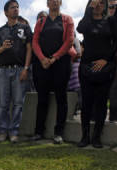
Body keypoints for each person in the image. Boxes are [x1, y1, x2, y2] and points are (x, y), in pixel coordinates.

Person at [77, 0, 117, 148]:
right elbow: (80, 28)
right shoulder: (86, 21)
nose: (99, 5)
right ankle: (85, 136)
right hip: (86, 67)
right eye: (95, 2)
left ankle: (96, 137)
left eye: (102, 2)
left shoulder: (110, 20)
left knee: (101, 103)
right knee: (86, 103)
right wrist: (89, 10)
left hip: (105, 67)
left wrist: (106, 59)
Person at [32, 0, 74, 144]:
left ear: (60, 2)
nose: (54, 2)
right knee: (42, 98)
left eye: (57, 0)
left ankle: (59, 133)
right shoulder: (41, 21)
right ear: (47, 4)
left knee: (61, 98)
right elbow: (35, 42)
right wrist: (43, 59)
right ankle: (38, 131)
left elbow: (69, 40)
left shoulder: (67, 20)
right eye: (51, 0)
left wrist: (55, 57)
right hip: (43, 64)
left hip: (61, 63)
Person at [0, 0, 32, 143]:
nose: (15, 9)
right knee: (2, 103)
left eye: (17, 7)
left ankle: (14, 131)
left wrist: (26, 68)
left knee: (18, 103)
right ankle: (3, 131)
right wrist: (2, 48)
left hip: (19, 69)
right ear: (6, 12)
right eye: (12, 7)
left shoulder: (25, 28)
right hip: (2, 71)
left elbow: (29, 49)